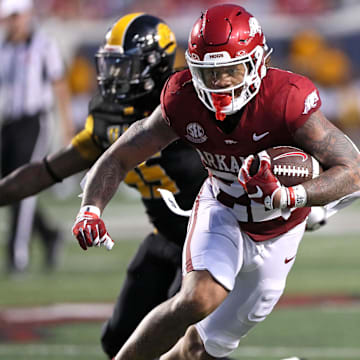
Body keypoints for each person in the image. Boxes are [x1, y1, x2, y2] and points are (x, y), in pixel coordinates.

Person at [71, 4, 360, 360]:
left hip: (281, 229)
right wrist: (90, 209)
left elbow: (353, 170)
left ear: (256, 63)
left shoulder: (286, 99)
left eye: (230, 70)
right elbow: (120, 154)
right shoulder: (183, 99)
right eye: (209, 73)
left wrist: (291, 195)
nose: (220, 83)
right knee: (196, 298)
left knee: (197, 351)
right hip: (222, 207)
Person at [0, 12, 208, 358]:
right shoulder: (110, 115)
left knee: (185, 343)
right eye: (111, 64)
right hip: (166, 236)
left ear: (155, 65)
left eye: (125, 66)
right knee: (120, 341)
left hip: (209, 239)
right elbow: (48, 170)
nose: (114, 76)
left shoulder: (187, 102)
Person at [0, 0, 74, 273]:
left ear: (27, 15)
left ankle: (16, 255)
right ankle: (49, 234)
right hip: (10, 121)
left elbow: (60, 85)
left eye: (15, 16)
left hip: (35, 121)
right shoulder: (5, 46)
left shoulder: (44, 45)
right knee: (9, 184)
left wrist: (67, 126)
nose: (12, 23)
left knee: (26, 184)